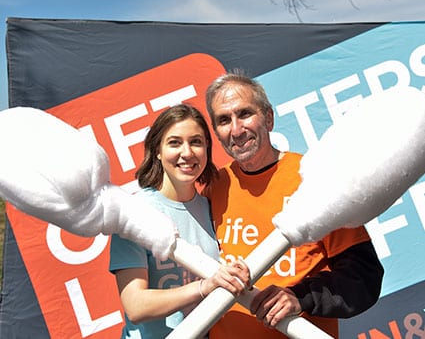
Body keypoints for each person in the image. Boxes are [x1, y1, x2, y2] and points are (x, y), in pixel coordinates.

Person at [203, 71, 384, 338]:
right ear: (216, 133)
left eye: (244, 114)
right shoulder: (213, 188)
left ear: (269, 118)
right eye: (223, 120)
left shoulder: (313, 178)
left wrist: (300, 298)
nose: (236, 129)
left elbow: (363, 277)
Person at [109, 104, 250, 339]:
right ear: (157, 150)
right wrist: (203, 287)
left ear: (207, 148)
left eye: (196, 142)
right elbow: (136, 306)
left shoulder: (212, 207)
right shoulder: (134, 213)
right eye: (174, 143)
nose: (187, 153)